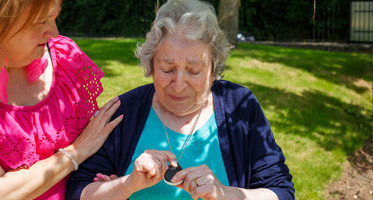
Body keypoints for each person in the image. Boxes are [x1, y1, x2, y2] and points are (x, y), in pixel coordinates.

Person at [66, 0, 294, 199]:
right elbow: (78, 191)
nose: (179, 84)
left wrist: (226, 194)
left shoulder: (240, 108)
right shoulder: (124, 113)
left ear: (214, 69)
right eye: (167, 69)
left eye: (194, 71)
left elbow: (281, 191)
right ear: (151, 65)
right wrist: (127, 185)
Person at [0, 0, 122, 199]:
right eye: (40, 22)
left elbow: (96, 146)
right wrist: (76, 152)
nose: (54, 32)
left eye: (54, 17)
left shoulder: (65, 57)